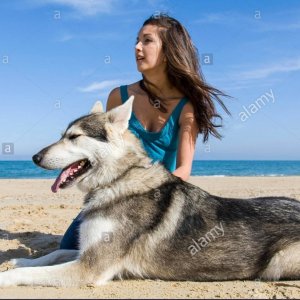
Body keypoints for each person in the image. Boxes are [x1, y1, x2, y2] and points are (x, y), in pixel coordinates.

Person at [59, 13, 230, 250]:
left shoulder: (186, 106)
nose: (137, 47)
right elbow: (107, 152)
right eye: (136, 40)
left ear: (169, 50)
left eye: (147, 41)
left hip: (159, 198)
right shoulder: (118, 96)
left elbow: (183, 169)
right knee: (68, 247)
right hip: (117, 195)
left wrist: (145, 194)